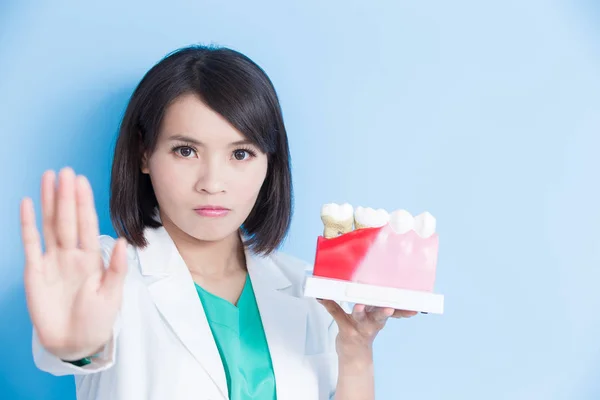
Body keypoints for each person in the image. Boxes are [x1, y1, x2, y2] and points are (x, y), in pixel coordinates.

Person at [19, 45, 416, 400]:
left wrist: (356, 354)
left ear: (269, 164)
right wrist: (78, 349)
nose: (212, 183)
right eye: (186, 150)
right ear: (144, 154)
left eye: (240, 154)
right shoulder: (105, 273)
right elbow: (72, 347)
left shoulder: (307, 289)